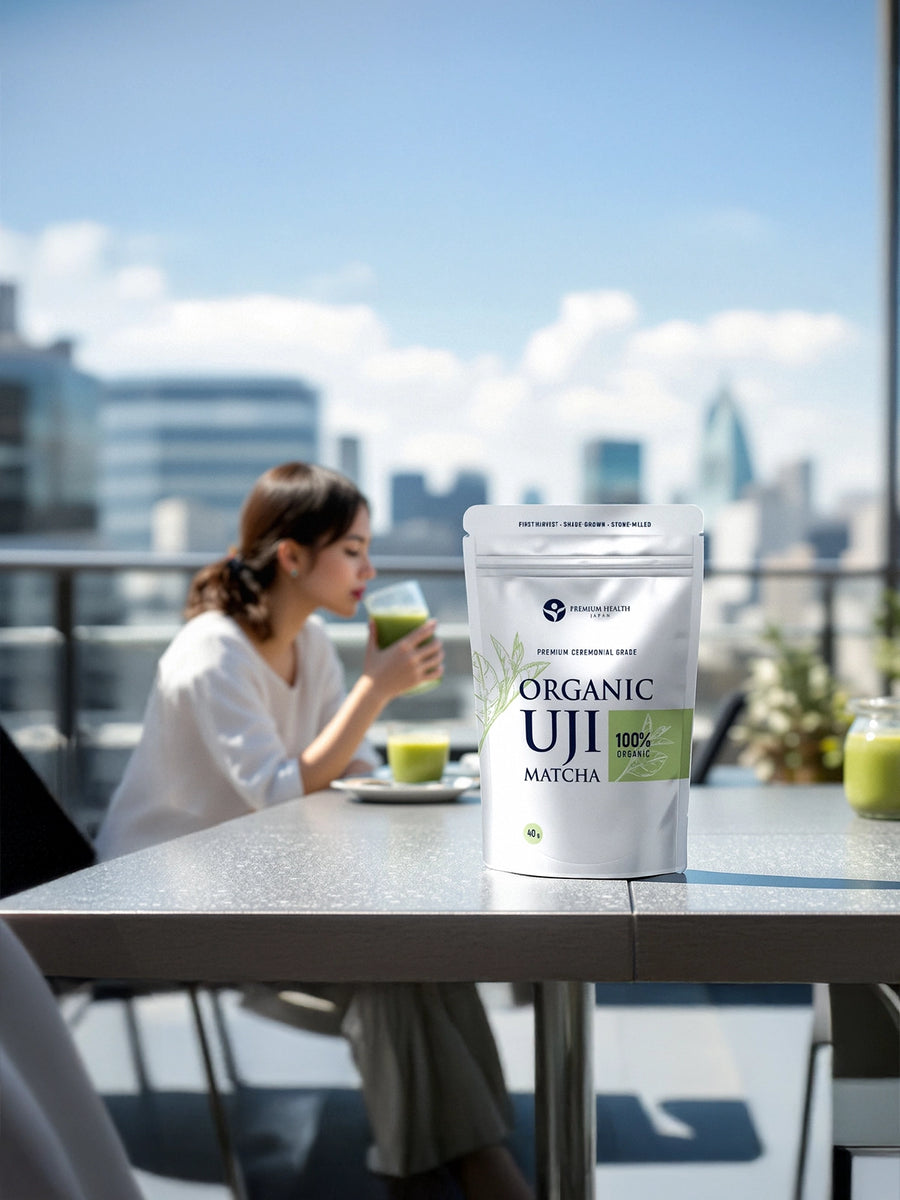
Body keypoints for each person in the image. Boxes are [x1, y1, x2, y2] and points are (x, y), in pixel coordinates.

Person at [95, 462, 532, 1200]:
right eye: (353, 550)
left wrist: (379, 735)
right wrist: (376, 689)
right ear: (293, 557)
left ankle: (452, 1167)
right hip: (164, 898)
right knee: (388, 967)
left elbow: (343, 768)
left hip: (259, 880)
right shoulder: (213, 652)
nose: (369, 569)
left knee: (413, 957)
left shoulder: (315, 645)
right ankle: (477, 1170)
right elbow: (278, 790)